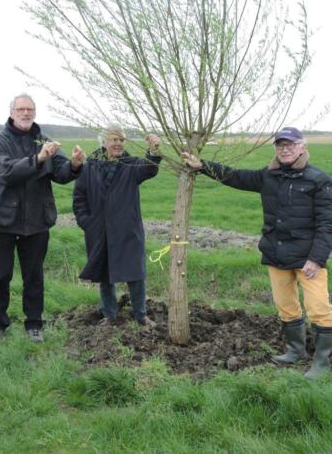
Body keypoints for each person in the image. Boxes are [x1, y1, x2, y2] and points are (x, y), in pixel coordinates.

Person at [182, 127, 332, 379]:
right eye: (280, 145)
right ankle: (295, 350)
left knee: (318, 308)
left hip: (308, 258)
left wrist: (316, 259)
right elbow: (235, 176)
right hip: (276, 254)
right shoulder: (268, 175)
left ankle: (322, 363)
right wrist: (202, 166)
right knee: (286, 306)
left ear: (302, 147)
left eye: (290, 144)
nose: (285, 149)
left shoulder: (318, 180)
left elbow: (327, 224)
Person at [0, 93, 85, 342]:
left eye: (30, 109)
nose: (26, 113)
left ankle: (34, 324)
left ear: (34, 112)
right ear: (12, 113)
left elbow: (60, 173)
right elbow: (6, 173)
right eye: (21, 109)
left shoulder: (44, 140)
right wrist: (39, 158)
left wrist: (73, 164)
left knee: (34, 276)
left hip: (37, 220)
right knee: (0, 277)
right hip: (1, 221)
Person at [73, 127, 162, 327]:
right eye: (113, 140)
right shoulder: (88, 167)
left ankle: (141, 315)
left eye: (121, 140)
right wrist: (87, 223)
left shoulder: (130, 166)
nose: (118, 144)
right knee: (105, 274)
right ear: (103, 143)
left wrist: (154, 151)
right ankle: (109, 315)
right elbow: (79, 198)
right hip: (99, 231)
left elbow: (148, 168)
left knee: (135, 273)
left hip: (127, 229)